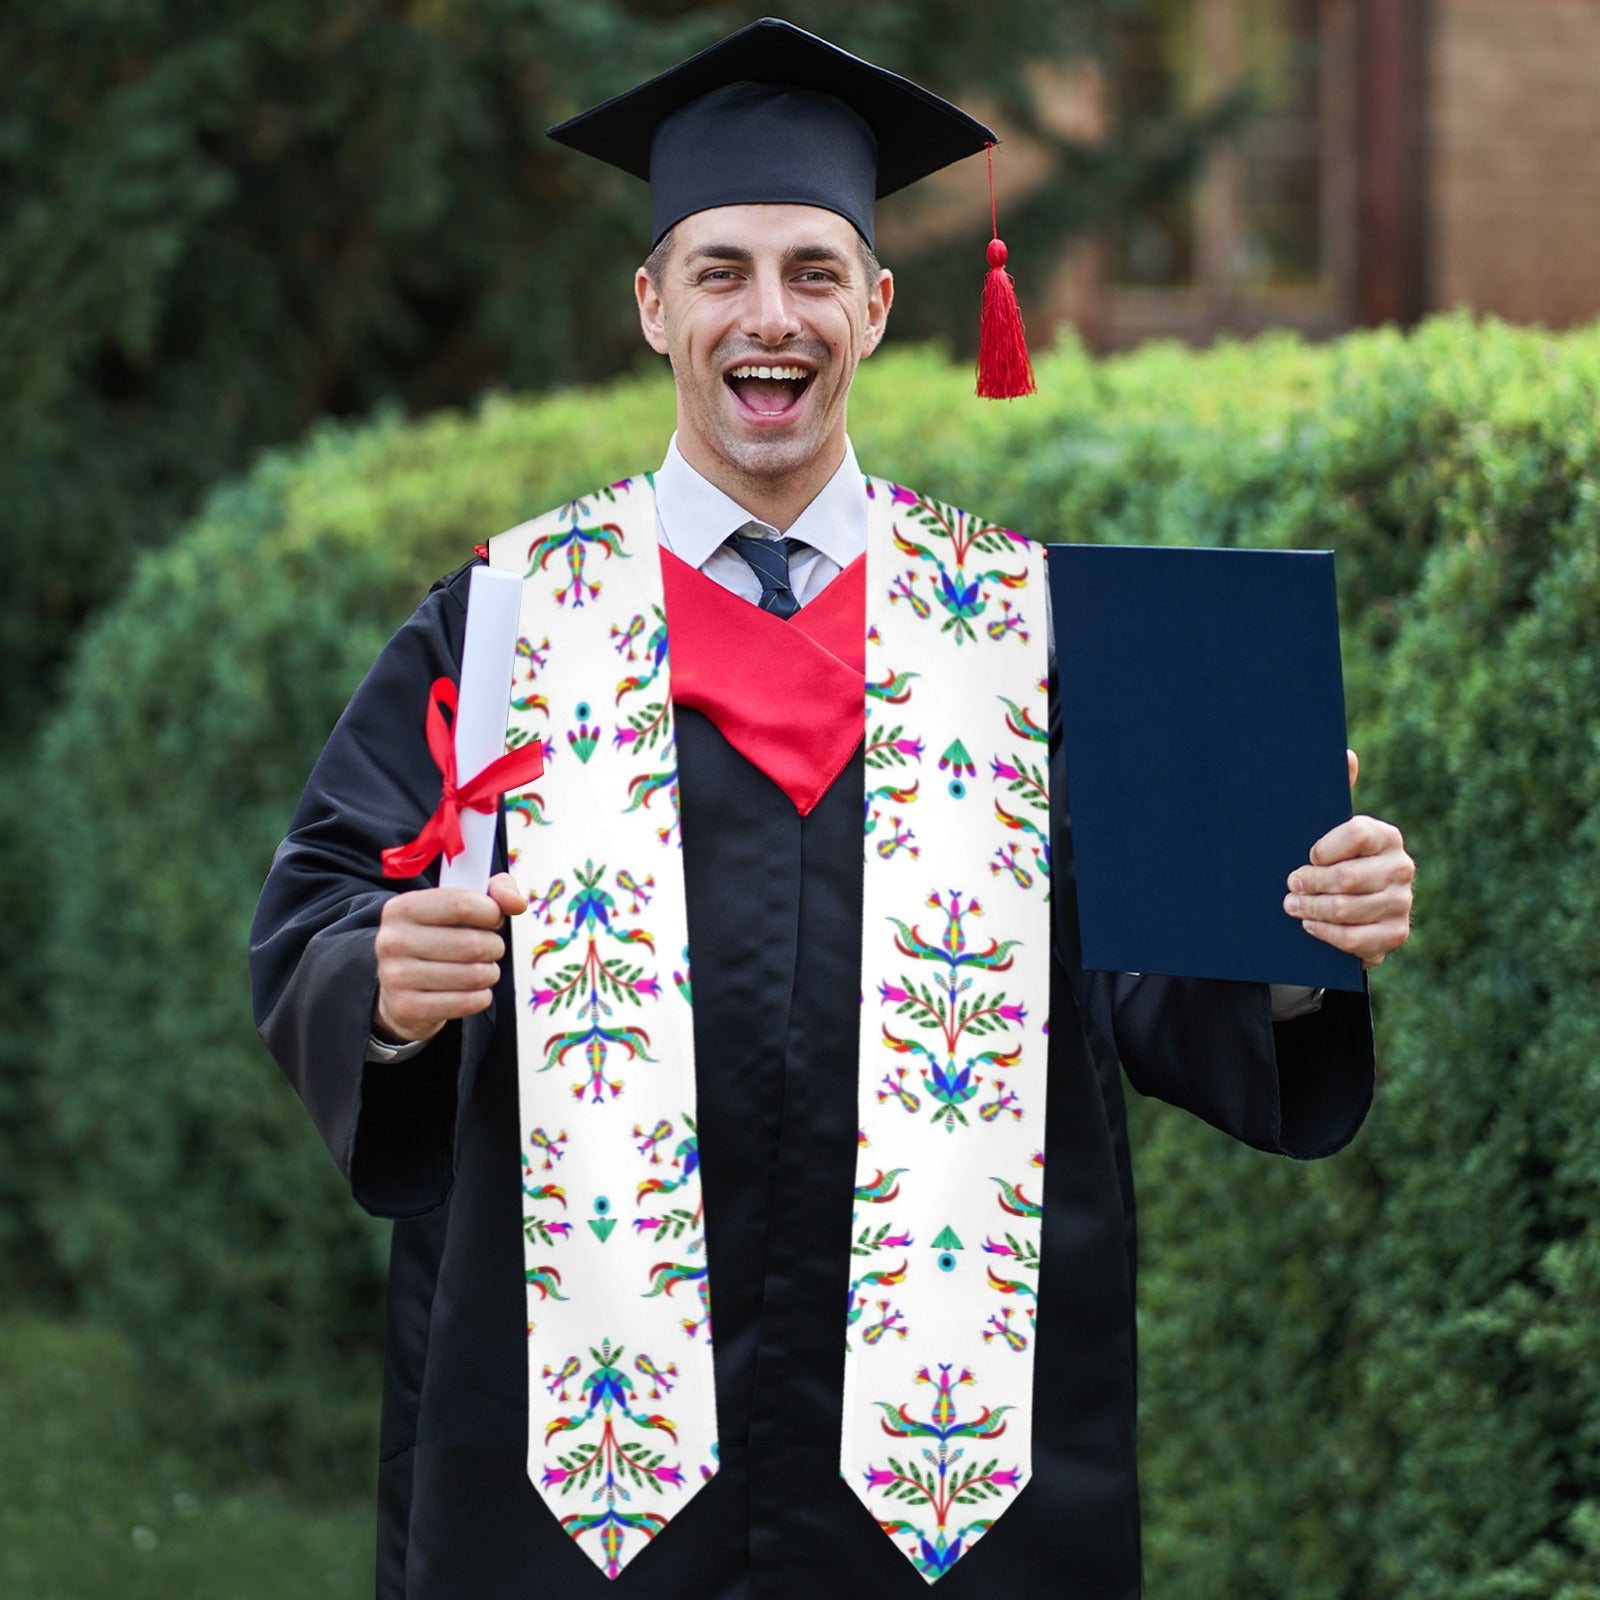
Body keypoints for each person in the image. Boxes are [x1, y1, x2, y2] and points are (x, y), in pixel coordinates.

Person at [249, 19, 1414, 1600]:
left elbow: (1150, 977)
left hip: (952, 1474)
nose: (769, 317)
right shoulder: (515, 620)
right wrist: (382, 983)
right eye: (720, 271)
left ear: (875, 306)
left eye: (813, 272)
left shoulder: (1024, 626)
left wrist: (1292, 939)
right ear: (653, 306)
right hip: (581, 1462)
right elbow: (326, 903)